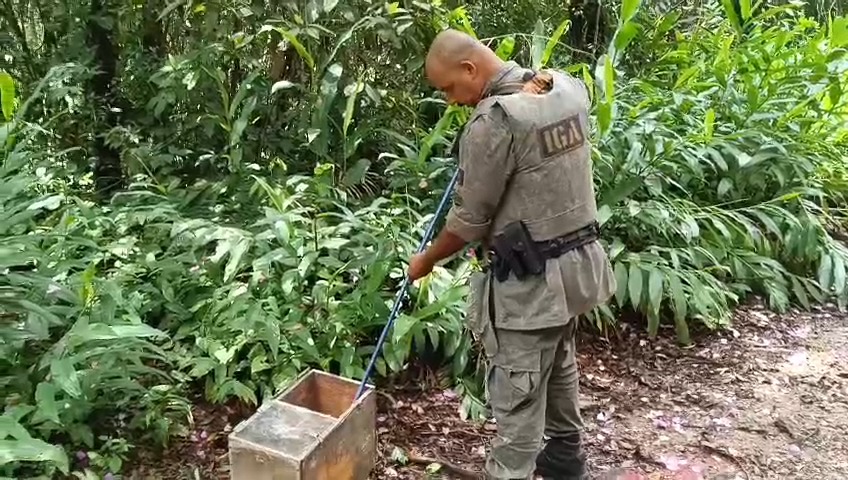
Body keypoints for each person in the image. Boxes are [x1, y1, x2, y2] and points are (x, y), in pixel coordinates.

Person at [407, 29, 616, 480]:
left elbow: (469, 223)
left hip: (531, 286)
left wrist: (426, 260)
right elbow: (539, 106)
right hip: (577, 270)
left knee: (518, 389)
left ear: (470, 69)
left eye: (449, 88)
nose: (450, 101)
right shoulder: (563, 87)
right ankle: (564, 458)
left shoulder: (495, 123)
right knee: (558, 361)